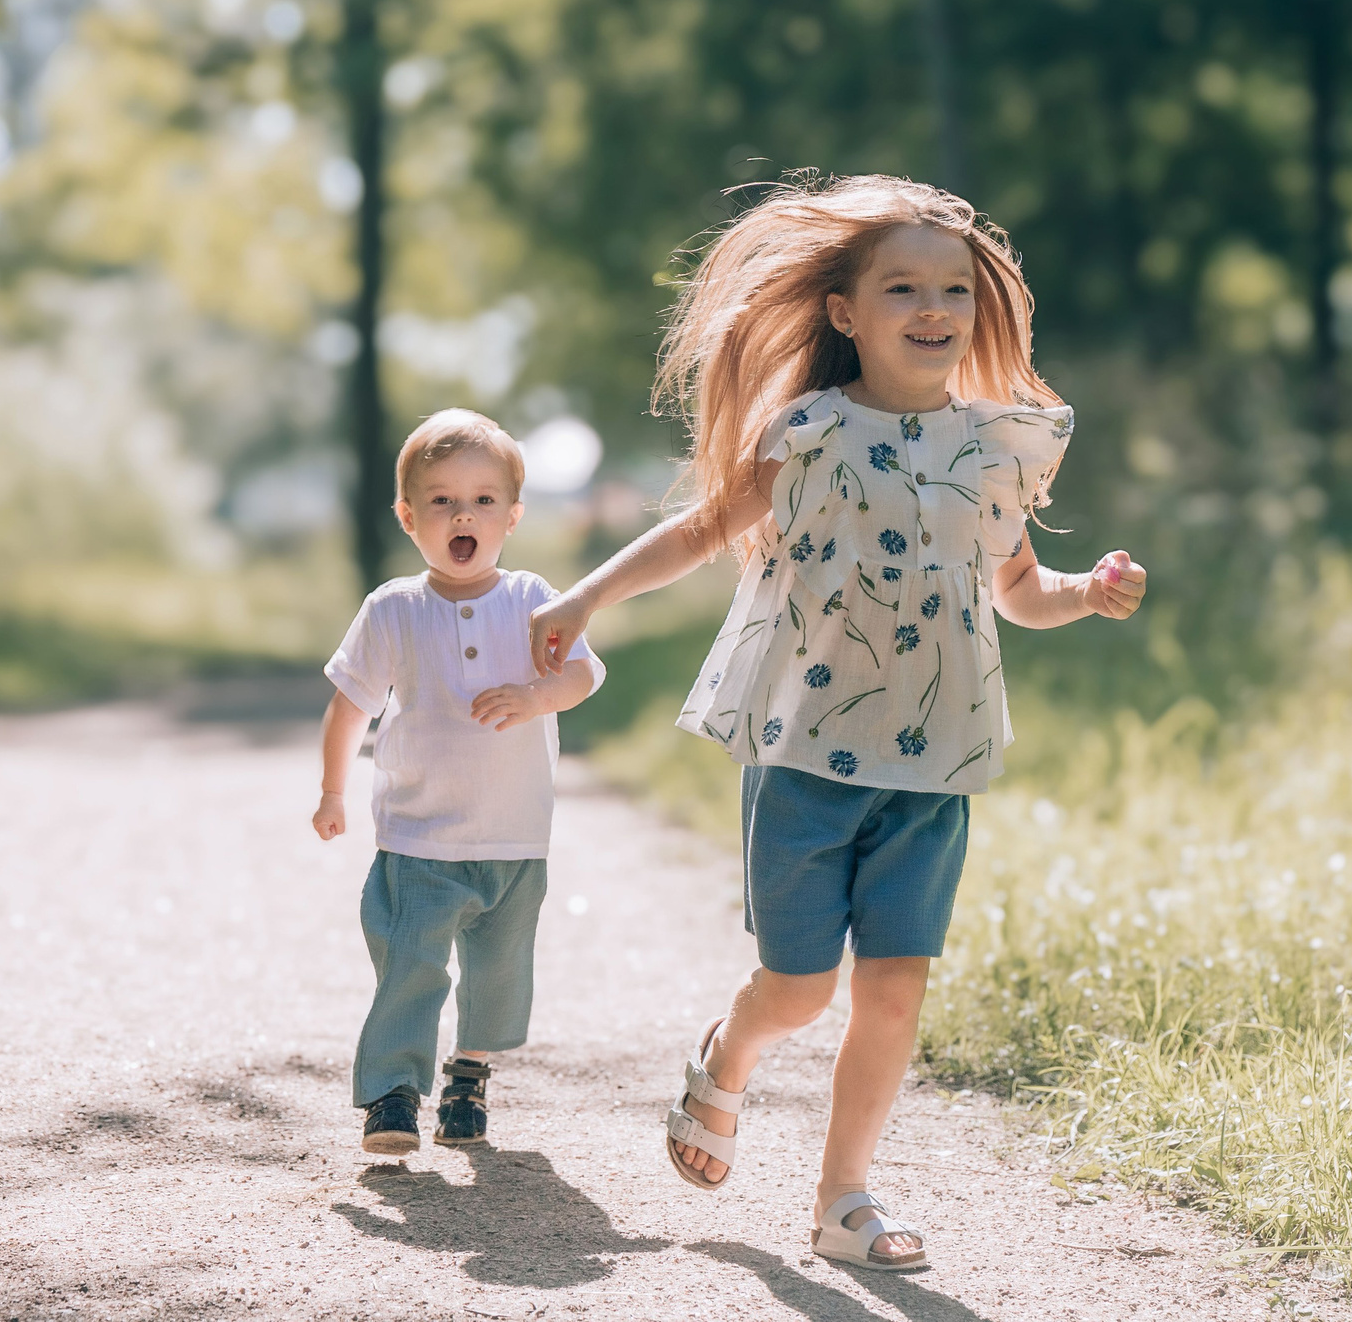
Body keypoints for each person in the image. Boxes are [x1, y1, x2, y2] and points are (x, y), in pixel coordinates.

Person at [527, 176, 1145, 1271]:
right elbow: (701, 532)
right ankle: (727, 1055)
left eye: (952, 288)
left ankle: (842, 1200)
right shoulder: (807, 431)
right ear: (845, 312)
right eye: (901, 285)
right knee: (800, 992)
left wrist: (1081, 592)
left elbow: (1013, 587)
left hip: (936, 759)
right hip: (806, 753)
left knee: (895, 986)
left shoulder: (996, 445)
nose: (932, 306)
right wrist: (581, 601)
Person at [316, 409, 605, 1156]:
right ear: (409, 517)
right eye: (441, 500)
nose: (461, 514)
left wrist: (537, 695)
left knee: (497, 974)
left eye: (481, 499)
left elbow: (580, 672)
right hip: (421, 831)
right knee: (409, 962)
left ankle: (469, 1076)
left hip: (514, 834)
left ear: (511, 515)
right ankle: (392, 1092)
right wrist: (333, 790)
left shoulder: (532, 598)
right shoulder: (393, 610)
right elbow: (351, 703)